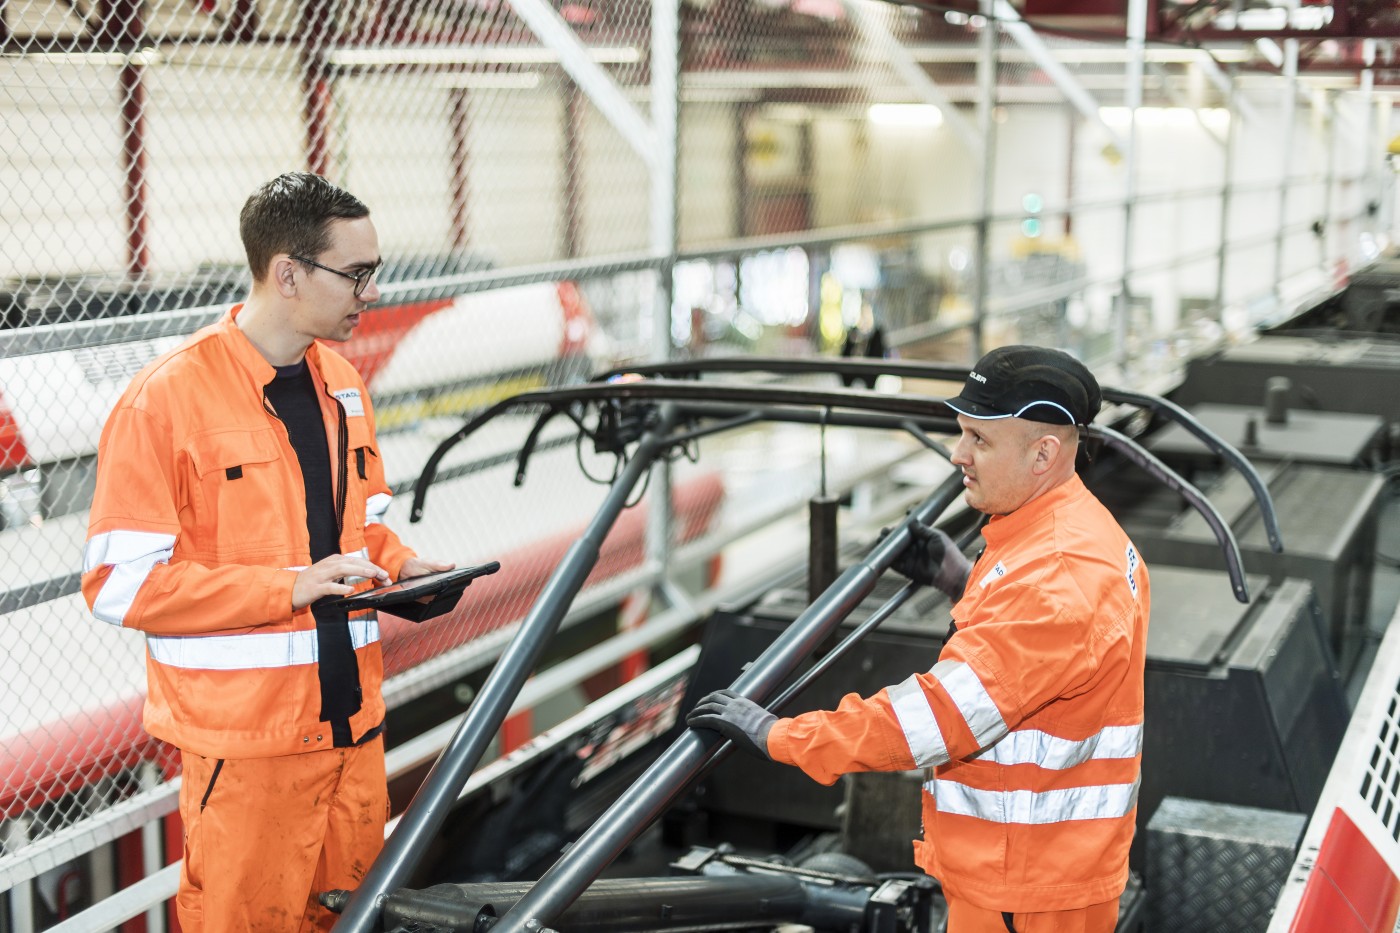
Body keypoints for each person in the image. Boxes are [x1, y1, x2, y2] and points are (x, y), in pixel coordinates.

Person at [81, 172, 454, 932]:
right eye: (356, 273)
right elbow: (119, 584)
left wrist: (399, 565)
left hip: (353, 734)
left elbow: (359, 529)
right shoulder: (165, 401)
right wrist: (286, 588)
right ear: (288, 273)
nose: (372, 292)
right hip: (250, 756)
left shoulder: (343, 383)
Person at [688, 345, 1150, 933]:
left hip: (1027, 894)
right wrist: (959, 579)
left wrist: (782, 736)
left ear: (1043, 453)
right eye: (961, 433)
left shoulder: (1058, 577)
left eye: (979, 439)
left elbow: (935, 719)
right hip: (1035, 869)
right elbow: (1035, 663)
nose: (958, 454)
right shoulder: (1071, 530)